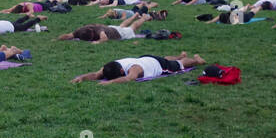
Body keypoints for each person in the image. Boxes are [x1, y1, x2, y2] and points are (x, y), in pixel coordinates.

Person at [71, 52, 206, 83]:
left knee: (180, 65)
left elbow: (130, 78)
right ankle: (178, 55)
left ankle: (197, 61)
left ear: (122, 71)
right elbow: (95, 75)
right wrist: (81, 78)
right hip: (146, 58)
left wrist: (110, 83)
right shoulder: (110, 66)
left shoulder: (134, 69)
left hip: (159, 65)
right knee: (165, 58)